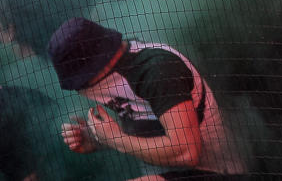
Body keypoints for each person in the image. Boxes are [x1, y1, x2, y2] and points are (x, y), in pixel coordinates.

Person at [50, 17, 245, 180]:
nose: (79, 90)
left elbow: (187, 151)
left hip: (220, 171)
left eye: (79, 83)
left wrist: (115, 139)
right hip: (172, 170)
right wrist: (97, 138)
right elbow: (145, 120)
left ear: (96, 68)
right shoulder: (120, 73)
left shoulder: (158, 71)